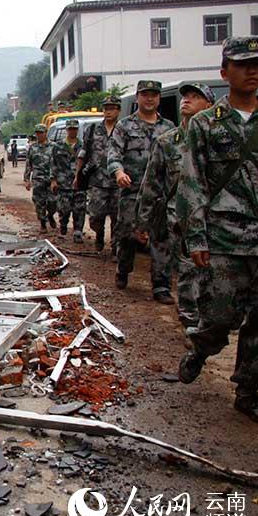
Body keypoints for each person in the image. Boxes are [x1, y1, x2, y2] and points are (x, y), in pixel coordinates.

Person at [176, 37, 258, 423]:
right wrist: (196, 237)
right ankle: (200, 349)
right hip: (224, 239)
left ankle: (247, 390)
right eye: (243, 64)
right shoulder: (206, 124)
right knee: (221, 317)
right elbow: (191, 182)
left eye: (257, 63)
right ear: (225, 72)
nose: (252, 70)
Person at [136, 83, 214, 329]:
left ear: (209, 105)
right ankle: (191, 324)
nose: (186, 101)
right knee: (186, 272)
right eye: (185, 97)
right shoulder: (167, 142)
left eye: (195, 97)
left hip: (217, 221)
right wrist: (143, 222)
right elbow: (151, 184)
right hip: (176, 220)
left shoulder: (221, 140)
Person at [107, 80, 176, 300]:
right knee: (128, 237)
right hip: (132, 192)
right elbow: (114, 154)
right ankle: (123, 269)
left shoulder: (169, 128)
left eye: (154, 94)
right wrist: (118, 172)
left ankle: (161, 285)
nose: (149, 98)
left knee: (161, 238)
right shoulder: (124, 126)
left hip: (160, 195)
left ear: (159, 98)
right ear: (137, 97)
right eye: (145, 94)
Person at [77, 96, 120, 255]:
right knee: (95, 215)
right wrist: (78, 176)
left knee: (117, 217)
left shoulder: (123, 129)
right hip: (97, 181)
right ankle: (99, 234)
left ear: (118, 110)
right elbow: (83, 153)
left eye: (112, 108)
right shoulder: (93, 129)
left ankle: (115, 249)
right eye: (106, 108)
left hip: (117, 181)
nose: (108, 111)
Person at [50, 119, 85, 241]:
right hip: (63, 183)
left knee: (79, 209)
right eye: (70, 129)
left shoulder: (83, 146)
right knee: (64, 209)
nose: (72, 131)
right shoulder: (58, 146)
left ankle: (78, 232)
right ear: (66, 130)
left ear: (77, 130)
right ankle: (63, 225)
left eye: (75, 129)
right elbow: (53, 163)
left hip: (79, 183)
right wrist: (53, 180)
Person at [25, 124, 57, 232]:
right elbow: (29, 164)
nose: (39, 135)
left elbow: (57, 163)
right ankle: (43, 224)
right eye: (37, 133)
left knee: (53, 202)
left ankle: (50, 215)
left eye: (41, 133)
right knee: (39, 203)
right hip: (38, 179)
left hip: (51, 179)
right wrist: (27, 180)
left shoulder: (53, 146)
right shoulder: (33, 148)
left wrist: (55, 179)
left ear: (45, 133)